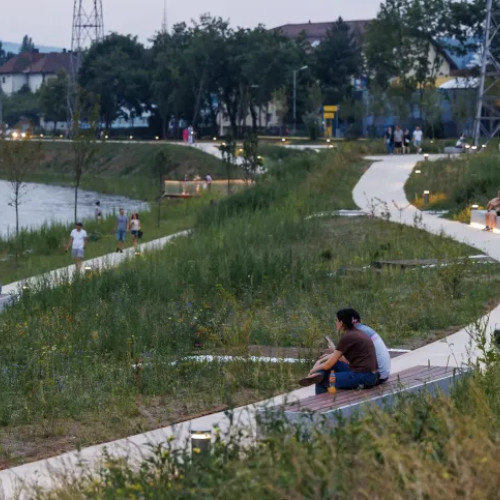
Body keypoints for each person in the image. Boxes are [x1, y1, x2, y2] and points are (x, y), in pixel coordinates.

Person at [299, 309, 378, 393]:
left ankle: (323, 400)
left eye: (337, 320)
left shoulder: (347, 337)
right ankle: (318, 375)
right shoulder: (358, 333)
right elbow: (340, 360)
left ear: (341, 323)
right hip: (369, 374)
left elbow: (328, 365)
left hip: (364, 377)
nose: (336, 323)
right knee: (331, 366)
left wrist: (313, 370)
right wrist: (320, 365)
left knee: (322, 381)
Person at [351, 309, 391, 384]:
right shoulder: (364, 328)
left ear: (353, 321)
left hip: (376, 376)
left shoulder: (358, 332)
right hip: (383, 373)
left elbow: (349, 359)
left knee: (336, 372)